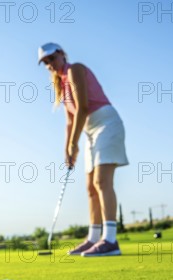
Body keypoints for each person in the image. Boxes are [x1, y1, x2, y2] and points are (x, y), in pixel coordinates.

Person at [38, 43, 129, 257]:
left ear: (61, 54)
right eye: (46, 62)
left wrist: (74, 143)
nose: (50, 64)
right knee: (90, 187)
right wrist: (67, 150)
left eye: (52, 58)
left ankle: (111, 240)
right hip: (88, 131)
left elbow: (83, 107)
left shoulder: (75, 69)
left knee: (102, 181)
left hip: (106, 123)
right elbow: (70, 121)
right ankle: (93, 238)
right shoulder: (61, 83)